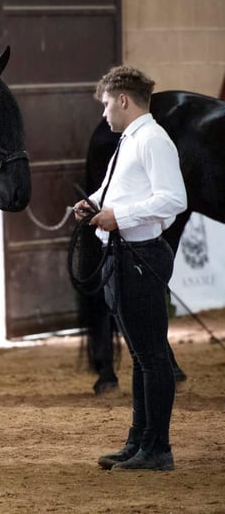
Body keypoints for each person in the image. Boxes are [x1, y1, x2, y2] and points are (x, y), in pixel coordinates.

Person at [74, 66, 187, 471]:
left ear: (123, 100)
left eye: (106, 104)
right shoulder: (131, 139)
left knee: (151, 356)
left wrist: (118, 216)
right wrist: (92, 203)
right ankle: (139, 441)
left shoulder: (153, 140)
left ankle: (157, 447)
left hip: (139, 257)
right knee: (142, 356)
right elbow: (118, 191)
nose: (103, 112)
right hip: (123, 255)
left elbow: (173, 199)